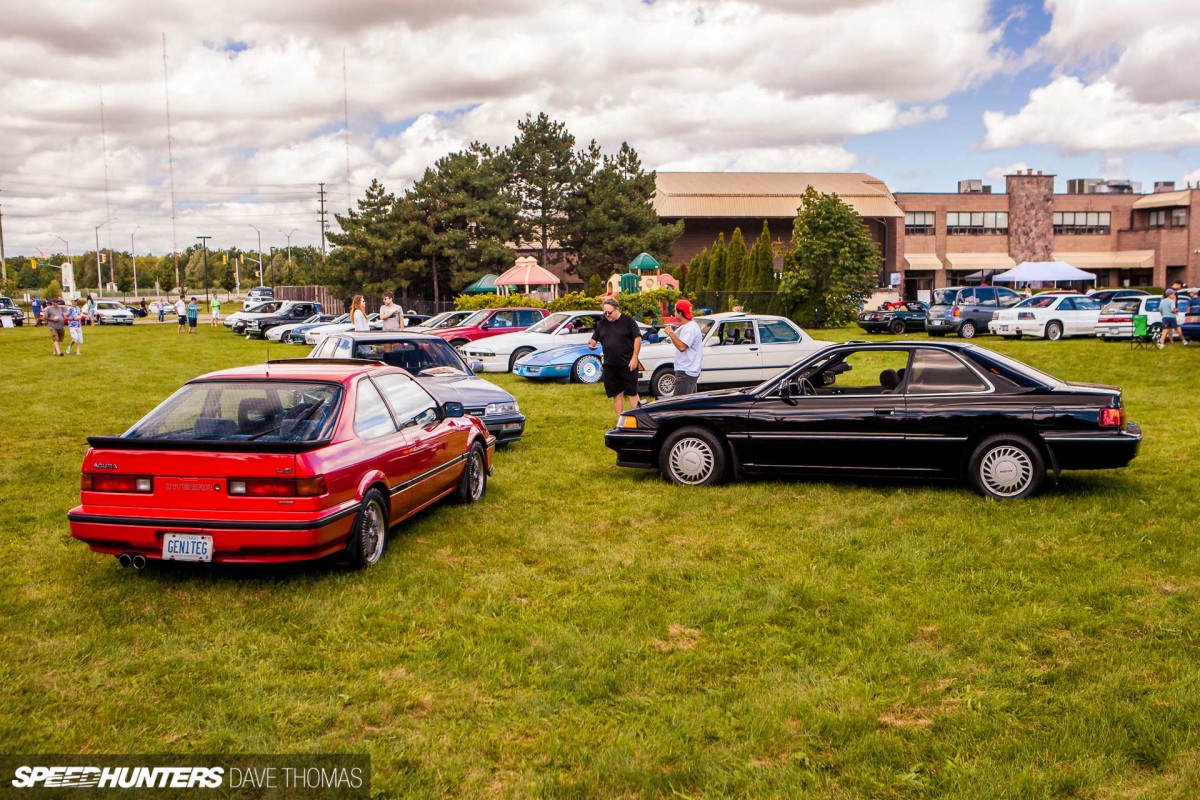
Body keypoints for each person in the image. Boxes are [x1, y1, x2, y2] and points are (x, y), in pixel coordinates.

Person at [588, 297, 642, 423]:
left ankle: (639, 421)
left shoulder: (628, 321)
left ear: (616, 309)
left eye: (610, 312)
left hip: (627, 364)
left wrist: (634, 358)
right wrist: (591, 344)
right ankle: (620, 422)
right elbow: (594, 339)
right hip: (610, 365)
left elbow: (637, 339)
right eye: (605, 313)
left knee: (632, 392)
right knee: (616, 394)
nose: (607, 315)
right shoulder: (603, 323)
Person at [662, 299, 703, 396]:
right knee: (689, 407)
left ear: (680, 313)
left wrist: (670, 332)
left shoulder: (690, 328)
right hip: (689, 372)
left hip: (686, 372)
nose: (674, 312)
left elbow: (682, 347)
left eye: (675, 310)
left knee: (678, 407)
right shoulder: (689, 326)